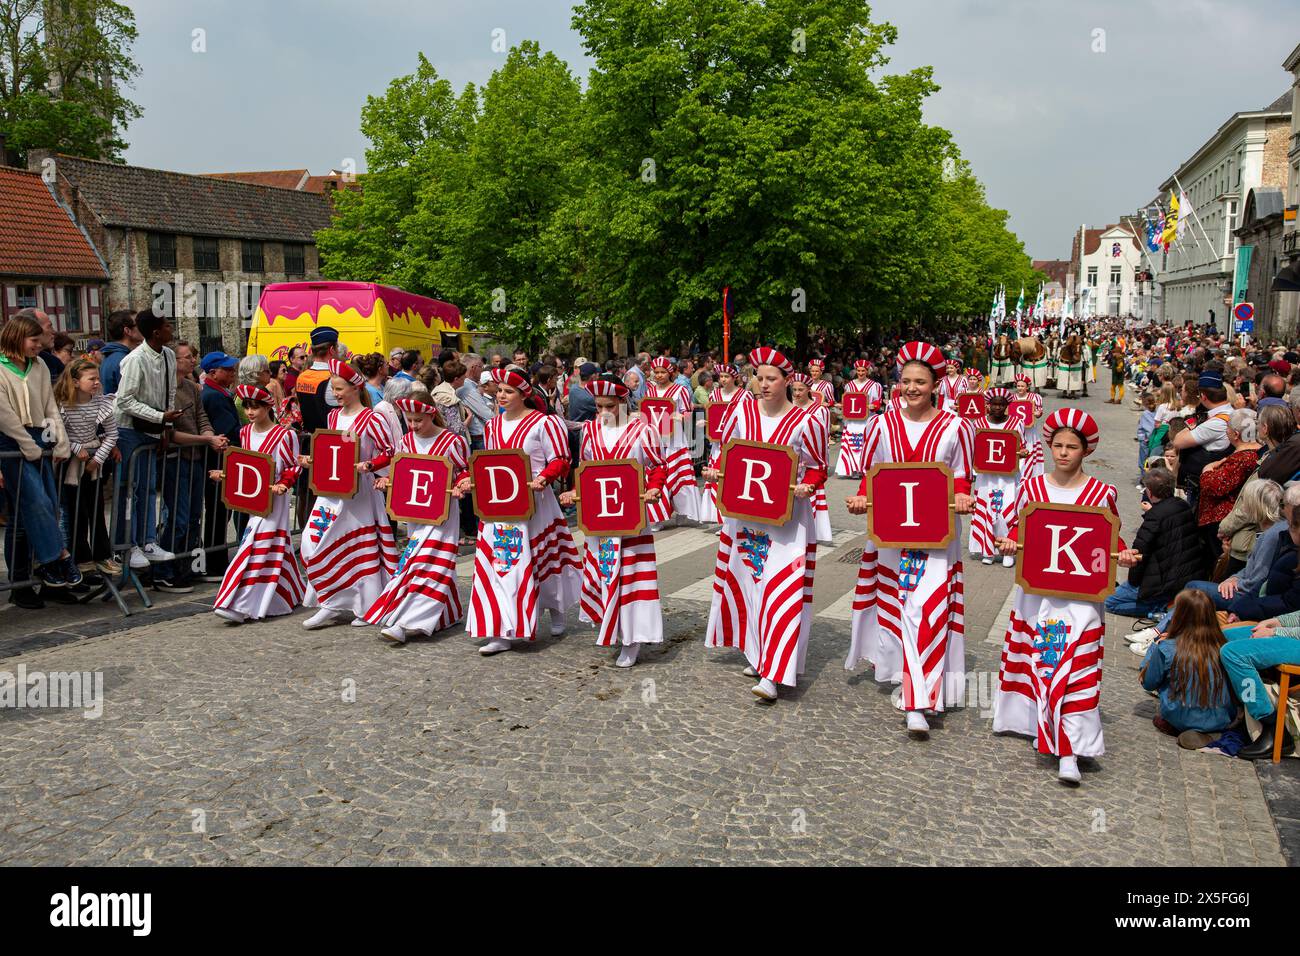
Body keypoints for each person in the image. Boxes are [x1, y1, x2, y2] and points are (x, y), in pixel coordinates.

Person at [992, 409, 1139, 784]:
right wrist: (1008, 541)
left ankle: (1071, 746)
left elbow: (1111, 537)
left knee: (1078, 666)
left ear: (1085, 450)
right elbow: (1016, 529)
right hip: (1038, 592)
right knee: (1041, 659)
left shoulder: (1102, 492)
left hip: (1082, 596)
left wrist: (1122, 554)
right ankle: (1029, 720)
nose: (1063, 453)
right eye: (1057, 445)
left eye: (1071, 446)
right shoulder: (1032, 488)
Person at [845, 341, 975, 734]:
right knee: (897, 608)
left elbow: (964, 476)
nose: (913, 388)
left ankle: (919, 700)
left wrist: (964, 496)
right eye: (906, 381)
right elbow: (872, 472)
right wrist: (861, 498)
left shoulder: (957, 427)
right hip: (889, 532)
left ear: (936, 384)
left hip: (936, 535)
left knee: (930, 609)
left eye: (921, 381)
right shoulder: (880, 424)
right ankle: (902, 673)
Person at [704, 347, 829, 701]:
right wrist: (717, 472)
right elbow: (728, 452)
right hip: (745, 515)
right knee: (749, 582)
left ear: (788, 381)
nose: (763, 384)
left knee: (782, 589)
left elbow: (820, 466)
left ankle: (776, 673)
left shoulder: (808, 420)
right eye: (759, 377)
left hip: (788, 519)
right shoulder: (742, 411)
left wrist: (810, 485)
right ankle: (758, 654)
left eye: (771, 378)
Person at [466, 369, 581, 654]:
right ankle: (502, 630)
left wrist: (544, 478)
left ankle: (555, 609)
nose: (501, 396)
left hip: (535, 503)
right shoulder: (492, 426)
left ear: (523, 394)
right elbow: (489, 464)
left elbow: (561, 459)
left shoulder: (544, 423)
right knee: (502, 565)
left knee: (543, 561)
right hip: (499, 507)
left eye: (508, 391)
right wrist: (471, 479)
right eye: (499, 390)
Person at [558, 375, 670, 666]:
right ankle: (613, 627)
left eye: (610, 406)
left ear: (623, 402)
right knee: (606, 572)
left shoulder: (644, 431)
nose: (604, 412)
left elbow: (658, 466)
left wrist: (656, 487)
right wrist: (573, 491)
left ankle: (632, 637)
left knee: (631, 575)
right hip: (600, 516)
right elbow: (584, 470)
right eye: (599, 407)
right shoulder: (591, 431)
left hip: (632, 516)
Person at [359, 391, 469, 643]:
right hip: (415, 513)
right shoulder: (406, 442)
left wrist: (464, 483)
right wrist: (387, 480)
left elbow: (462, 471)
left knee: (426, 563)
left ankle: (407, 622)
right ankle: (446, 614)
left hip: (443, 514)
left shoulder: (451, 441)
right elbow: (400, 472)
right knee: (422, 563)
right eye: (409, 420)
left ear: (431, 415)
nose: (413, 425)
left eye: (418, 420)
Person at [297, 359, 397, 629]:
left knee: (356, 548)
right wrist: (311, 460)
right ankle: (329, 599)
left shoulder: (372, 417)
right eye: (333, 388)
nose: (336, 393)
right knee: (312, 541)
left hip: (359, 491)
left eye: (339, 388)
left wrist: (370, 466)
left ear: (355, 388)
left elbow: (390, 451)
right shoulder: (332, 416)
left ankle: (365, 605)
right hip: (330, 489)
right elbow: (329, 451)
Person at [209, 385, 306, 624]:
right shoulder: (244, 433)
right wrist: (224, 475)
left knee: (255, 544)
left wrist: (284, 484)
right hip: (254, 499)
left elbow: (294, 466)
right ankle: (288, 593)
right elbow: (244, 466)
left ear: (267, 407)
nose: (250, 412)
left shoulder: (285, 435)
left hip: (276, 498)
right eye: (247, 407)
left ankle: (239, 603)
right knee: (272, 545)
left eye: (256, 407)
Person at [0, 315, 79, 596]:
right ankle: (57, 557)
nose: (38, 346)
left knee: (49, 504)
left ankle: (47, 566)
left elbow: (49, 405)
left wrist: (61, 441)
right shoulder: (0, 367)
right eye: (34, 341)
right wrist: (26, 444)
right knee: (36, 502)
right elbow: (4, 414)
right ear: (17, 337)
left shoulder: (40, 365)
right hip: (10, 441)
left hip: (38, 435)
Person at [112, 309, 181, 571]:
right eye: (167, 325)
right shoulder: (135, 359)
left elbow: (169, 393)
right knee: (129, 489)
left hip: (153, 428)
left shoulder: (169, 356)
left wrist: (166, 426)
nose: (171, 329)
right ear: (155, 332)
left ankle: (147, 540)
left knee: (149, 487)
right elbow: (124, 400)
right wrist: (159, 416)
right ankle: (127, 544)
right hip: (130, 429)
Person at [156, 341, 225, 592]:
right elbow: (170, 433)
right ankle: (164, 569)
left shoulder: (192, 387)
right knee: (179, 518)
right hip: (176, 459)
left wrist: (210, 436)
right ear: (173, 361)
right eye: (187, 357)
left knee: (195, 516)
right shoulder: (163, 390)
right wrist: (206, 439)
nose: (192, 361)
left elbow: (201, 418)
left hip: (196, 458)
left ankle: (186, 566)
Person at [1138, 589, 1238, 743]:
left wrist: (1156, 646)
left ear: (1179, 616)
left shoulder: (1168, 648)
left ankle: (1183, 725)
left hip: (1181, 718)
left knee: (1160, 667)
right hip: (1222, 719)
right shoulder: (1225, 646)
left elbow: (1148, 683)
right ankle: (1211, 731)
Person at [1104, 466, 1200, 619]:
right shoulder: (1183, 506)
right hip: (1184, 575)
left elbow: (1139, 553)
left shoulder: (1154, 516)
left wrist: (1133, 583)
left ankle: (1158, 609)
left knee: (1108, 602)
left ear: (1149, 492)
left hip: (1161, 581)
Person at [55, 358, 119, 577]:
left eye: (98, 379)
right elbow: (58, 432)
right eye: (91, 379)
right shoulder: (62, 405)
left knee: (97, 510)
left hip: (93, 465)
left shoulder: (101, 403)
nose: (96, 383)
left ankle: (102, 556)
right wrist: (74, 447)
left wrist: (96, 460)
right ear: (75, 381)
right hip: (71, 466)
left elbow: (111, 434)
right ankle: (81, 558)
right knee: (75, 513)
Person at [967, 387, 1025, 568]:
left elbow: (1020, 446)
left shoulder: (1016, 422)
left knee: (1007, 510)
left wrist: (1022, 453)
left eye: (1002, 405)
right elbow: (972, 449)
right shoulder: (978, 423)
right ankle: (987, 550)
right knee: (985, 511)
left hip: (1008, 477)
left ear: (1007, 406)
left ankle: (1007, 551)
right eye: (994, 404)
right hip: (986, 477)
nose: (998, 408)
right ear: (988, 405)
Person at [644, 356, 701, 523]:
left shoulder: (680, 390)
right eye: (656, 372)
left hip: (675, 439)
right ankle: (657, 517)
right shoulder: (650, 391)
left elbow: (688, 413)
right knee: (656, 477)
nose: (659, 375)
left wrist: (681, 417)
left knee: (678, 475)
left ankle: (683, 511)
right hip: (656, 440)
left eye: (662, 372)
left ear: (669, 373)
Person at [200, 352, 242, 581]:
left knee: (220, 513)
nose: (232, 373)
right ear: (214, 372)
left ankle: (216, 560)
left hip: (221, 459)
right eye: (227, 369)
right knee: (218, 512)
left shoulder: (217, 393)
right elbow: (229, 430)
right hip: (219, 461)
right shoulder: (214, 396)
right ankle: (215, 562)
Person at [698, 363, 754, 526]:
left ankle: (734, 516)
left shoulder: (744, 396)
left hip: (736, 444)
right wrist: (706, 423)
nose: (723, 379)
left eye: (726, 376)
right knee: (717, 477)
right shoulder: (714, 395)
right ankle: (721, 518)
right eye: (721, 376)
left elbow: (750, 417)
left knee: (734, 478)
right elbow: (715, 417)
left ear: (734, 378)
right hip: (717, 444)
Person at [834, 359, 882, 480]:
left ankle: (864, 468)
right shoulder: (849, 385)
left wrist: (873, 406)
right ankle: (853, 469)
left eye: (863, 371)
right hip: (852, 420)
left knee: (864, 444)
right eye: (859, 370)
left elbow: (878, 402)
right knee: (852, 444)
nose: (861, 373)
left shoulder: (874, 385)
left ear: (867, 371)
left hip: (866, 419)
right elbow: (846, 400)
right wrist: (841, 405)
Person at [98, 310, 141, 396]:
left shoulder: (110, 356)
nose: (143, 327)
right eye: (139, 324)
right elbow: (130, 398)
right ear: (127, 331)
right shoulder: (125, 359)